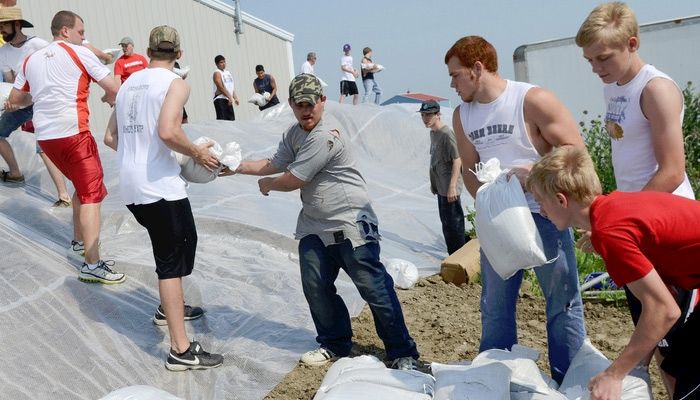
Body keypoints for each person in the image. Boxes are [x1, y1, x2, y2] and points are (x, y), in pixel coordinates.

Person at [221, 73, 420, 370]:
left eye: (311, 104)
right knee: (316, 286)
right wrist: (235, 167)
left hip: (349, 223)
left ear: (323, 101)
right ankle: (335, 343)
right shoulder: (295, 133)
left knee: (373, 287)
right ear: (290, 104)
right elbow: (275, 163)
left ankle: (402, 351)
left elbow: (293, 179)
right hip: (315, 224)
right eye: (300, 105)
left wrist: (268, 185)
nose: (306, 110)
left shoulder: (325, 135)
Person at [444, 35, 586, 383]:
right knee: (495, 307)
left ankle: (569, 380)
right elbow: (470, 168)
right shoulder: (463, 115)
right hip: (499, 222)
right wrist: (491, 200)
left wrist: (534, 173)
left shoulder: (530, 99)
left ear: (477, 69)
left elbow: (574, 150)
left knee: (562, 303)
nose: (451, 83)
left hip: (546, 215)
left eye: (455, 74)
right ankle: (493, 379)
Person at [576, 3, 697, 395]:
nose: (596, 67)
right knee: (658, 341)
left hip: (661, 229)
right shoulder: (613, 83)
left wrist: (620, 219)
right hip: (634, 227)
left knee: (674, 335)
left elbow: (672, 170)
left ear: (632, 43)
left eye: (603, 57)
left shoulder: (655, 89)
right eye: (589, 59)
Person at [526, 145, 700, 400]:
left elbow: (664, 310)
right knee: (677, 363)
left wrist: (615, 374)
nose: (541, 211)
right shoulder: (614, 209)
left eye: (541, 202)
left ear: (561, 200)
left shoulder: (610, 232)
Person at [104, 25, 223, 371]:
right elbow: (169, 131)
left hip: (132, 187)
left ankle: (169, 307)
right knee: (171, 261)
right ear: (179, 54)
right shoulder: (176, 84)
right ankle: (180, 350)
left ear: (147, 51)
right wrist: (196, 154)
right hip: (160, 189)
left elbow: (111, 137)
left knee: (183, 244)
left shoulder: (128, 85)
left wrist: (143, 155)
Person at [6, 10, 125, 284]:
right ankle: (92, 264)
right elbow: (114, 88)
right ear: (65, 31)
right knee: (92, 195)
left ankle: (78, 242)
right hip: (74, 133)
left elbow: (16, 99)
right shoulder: (79, 53)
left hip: (47, 137)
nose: (84, 38)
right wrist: (111, 90)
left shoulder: (31, 59)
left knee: (82, 188)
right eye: (81, 33)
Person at [0, 5, 44, 184]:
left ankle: (63, 194)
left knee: (44, 146)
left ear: (17, 24)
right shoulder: (3, 52)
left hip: (43, 102)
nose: (0, 30)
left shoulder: (38, 45)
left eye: (3, 25)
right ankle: (15, 173)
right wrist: (11, 102)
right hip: (22, 104)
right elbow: (10, 84)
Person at [418, 99, 466, 254]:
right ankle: (452, 257)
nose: (425, 119)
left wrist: (452, 186)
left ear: (438, 115)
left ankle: (460, 258)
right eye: (423, 115)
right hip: (441, 187)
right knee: (446, 224)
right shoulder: (434, 134)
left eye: (429, 115)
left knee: (455, 224)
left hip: (449, 188)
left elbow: (457, 160)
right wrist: (434, 185)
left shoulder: (446, 134)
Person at [212, 54, 238, 120]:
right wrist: (229, 97)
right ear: (217, 64)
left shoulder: (227, 72)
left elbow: (230, 87)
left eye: (224, 62)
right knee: (223, 121)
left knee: (231, 120)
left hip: (228, 99)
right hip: (220, 99)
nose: (223, 64)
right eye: (221, 62)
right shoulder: (217, 73)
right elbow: (220, 87)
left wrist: (235, 98)